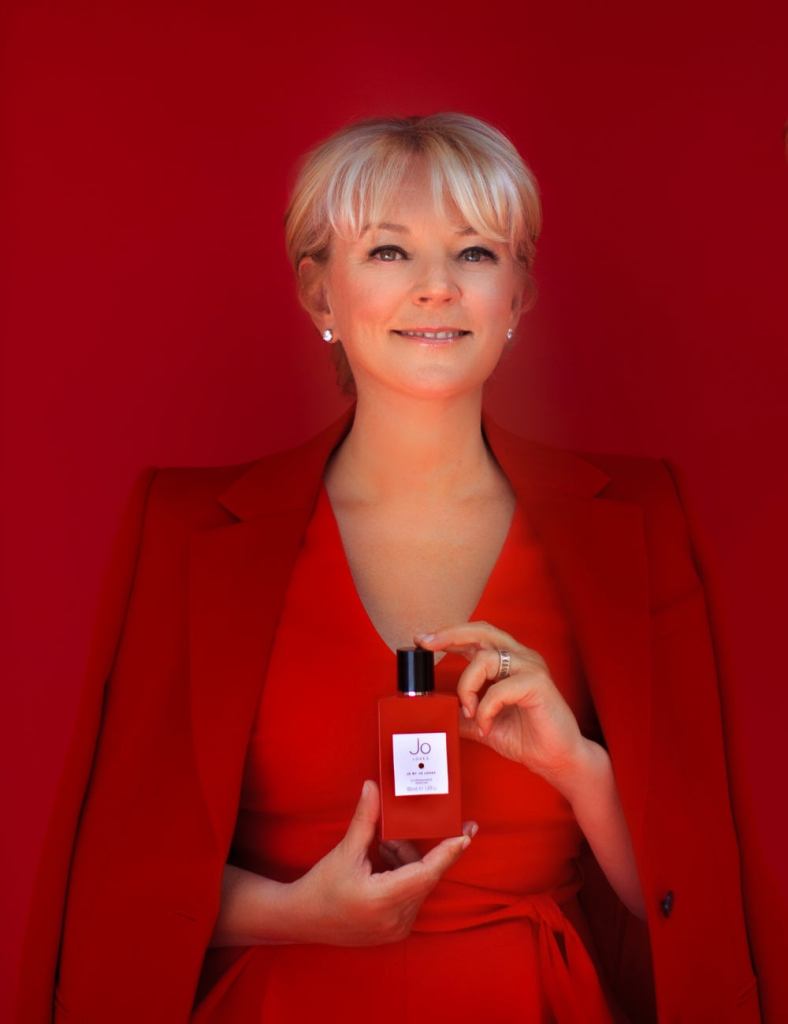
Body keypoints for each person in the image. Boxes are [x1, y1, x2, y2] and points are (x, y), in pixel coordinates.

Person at [16, 113, 760, 1024]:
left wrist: (579, 768)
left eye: (475, 253)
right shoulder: (183, 532)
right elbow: (120, 876)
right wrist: (297, 915)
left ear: (519, 293)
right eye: (389, 251)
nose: (437, 286)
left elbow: (696, 905)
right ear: (319, 293)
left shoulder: (640, 523)